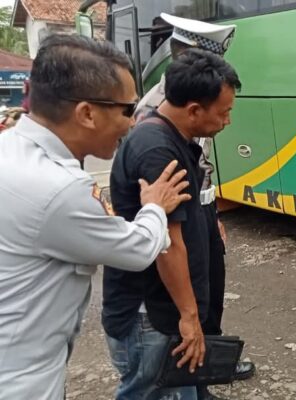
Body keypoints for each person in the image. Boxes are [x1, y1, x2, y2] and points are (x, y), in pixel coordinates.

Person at [0, 34, 190, 400]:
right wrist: (154, 206)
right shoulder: (60, 188)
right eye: (126, 110)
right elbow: (136, 251)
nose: (132, 123)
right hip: (22, 376)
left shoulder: (11, 147)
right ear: (87, 113)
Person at [102, 49, 242, 400]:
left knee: (182, 392)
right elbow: (168, 244)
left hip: (163, 310)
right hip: (151, 313)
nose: (227, 121)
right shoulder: (157, 151)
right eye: (224, 113)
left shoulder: (171, 135)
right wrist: (190, 318)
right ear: (194, 110)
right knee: (146, 391)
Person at [134, 16, 253, 399]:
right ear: (183, 56)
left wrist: (213, 213)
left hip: (200, 209)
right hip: (175, 215)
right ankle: (193, 369)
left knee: (210, 289)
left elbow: (201, 167)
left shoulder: (198, 110)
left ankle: (208, 361)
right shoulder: (155, 115)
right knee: (187, 298)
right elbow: (166, 231)